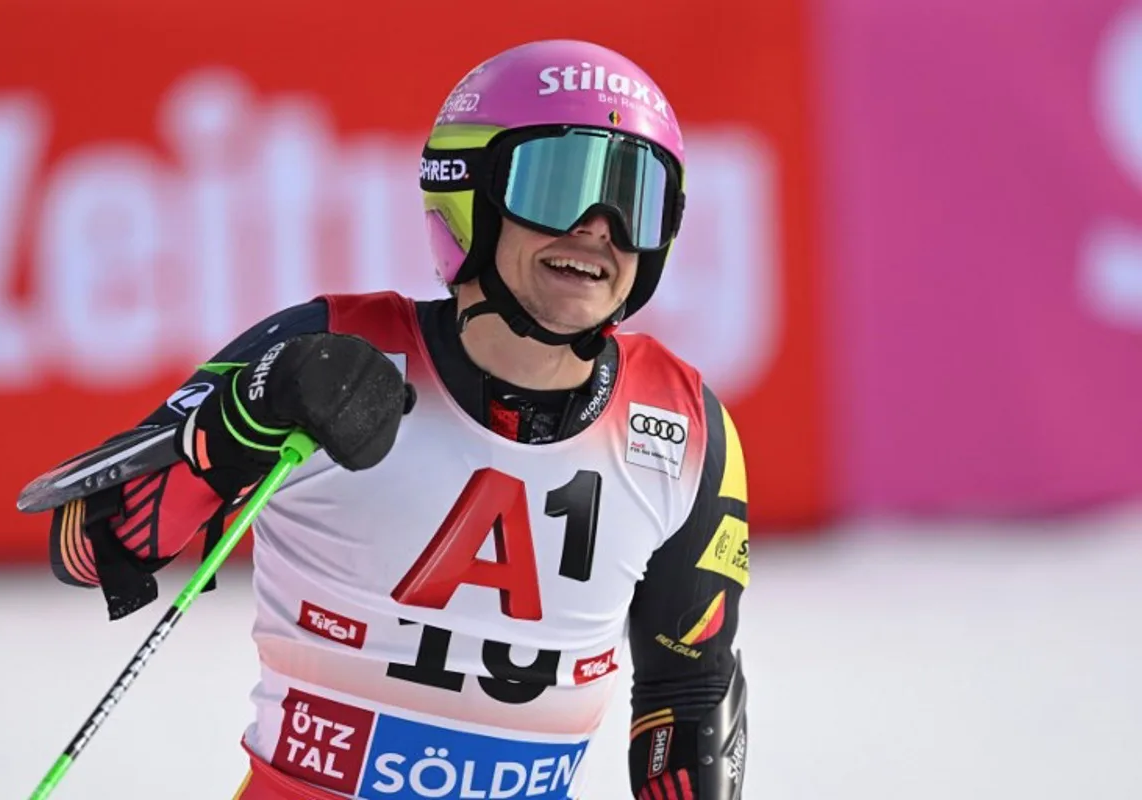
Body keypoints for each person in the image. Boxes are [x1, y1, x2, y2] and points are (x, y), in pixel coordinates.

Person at [42, 39, 750, 799]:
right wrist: (248, 412)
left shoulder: (681, 426)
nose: (598, 229)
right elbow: (87, 545)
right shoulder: (326, 351)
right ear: (469, 190)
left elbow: (692, 694)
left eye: (633, 198)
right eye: (558, 184)